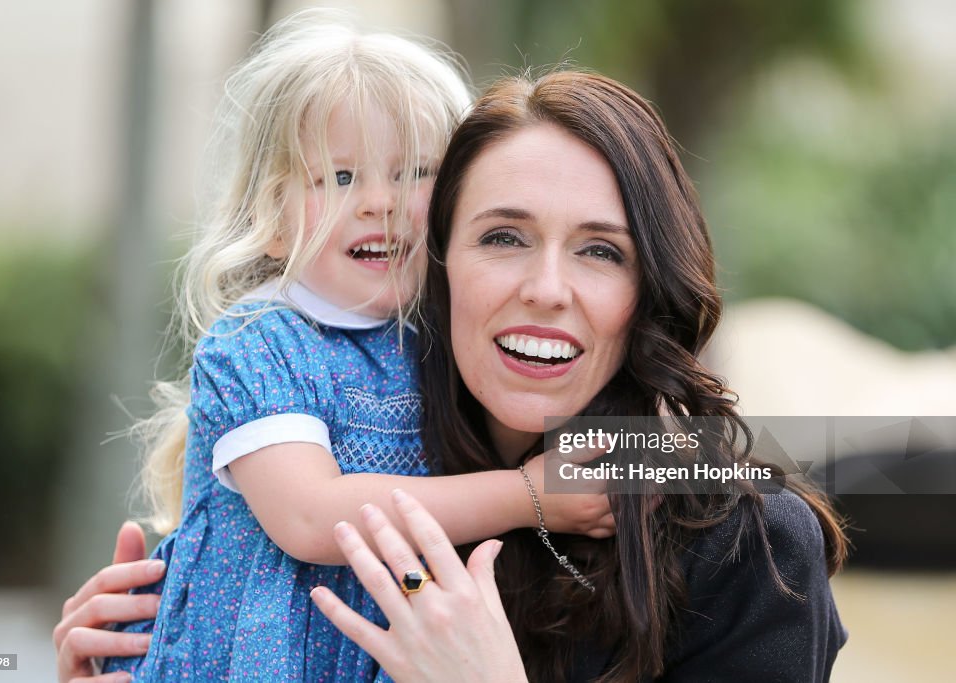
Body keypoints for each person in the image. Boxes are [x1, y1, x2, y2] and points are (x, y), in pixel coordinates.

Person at [59, 70, 848, 682]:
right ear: (430, 262)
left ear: (648, 291)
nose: (546, 287)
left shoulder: (745, 538)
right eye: (504, 237)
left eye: (600, 250)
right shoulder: (349, 468)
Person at [91, 12, 615, 682]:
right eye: (340, 178)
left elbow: (689, 465)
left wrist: (701, 451)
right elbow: (313, 515)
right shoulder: (261, 342)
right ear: (271, 221)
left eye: (415, 173)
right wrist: (526, 495)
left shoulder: (434, 340)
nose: (380, 202)